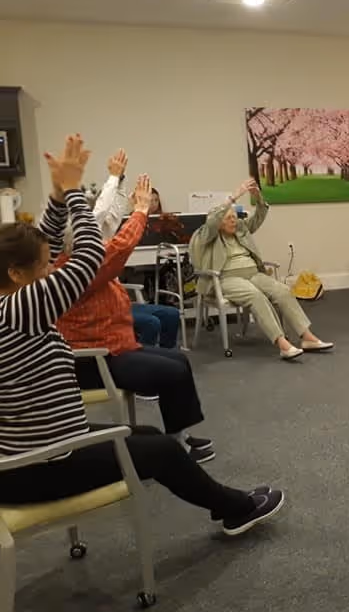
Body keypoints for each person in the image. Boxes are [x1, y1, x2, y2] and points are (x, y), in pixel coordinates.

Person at [0, 134, 283, 535]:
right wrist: (73, 190)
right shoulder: (21, 309)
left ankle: (156, 465)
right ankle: (234, 510)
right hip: (37, 466)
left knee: (148, 434)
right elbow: (88, 256)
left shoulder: (11, 300)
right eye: (45, 265)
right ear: (16, 273)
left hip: (37, 451)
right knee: (163, 449)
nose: (51, 270)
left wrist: (58, 198)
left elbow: (43, 243)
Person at [56, 174, 216, 463]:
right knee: (173, 372)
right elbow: (119, 248)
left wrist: (118, 188)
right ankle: (176, 444)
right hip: (94, 360)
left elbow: (106, 223)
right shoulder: (77, 269)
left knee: (178, 360)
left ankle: (179, 435)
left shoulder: (83, 259)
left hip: (115, 346)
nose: (102, 242)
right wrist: (141, 212)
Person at [191, 178, 333, 359]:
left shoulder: (241, 228)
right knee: (255, 295)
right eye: (228, 218)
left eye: (235, 216)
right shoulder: (208, 234)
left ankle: (307, 337)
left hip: (253, 274)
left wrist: (258, 198)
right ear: (219, 222)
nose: (233, 221)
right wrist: (234, 197)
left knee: (282, 291)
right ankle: (282, 344)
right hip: (225, 279)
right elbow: (212, 220)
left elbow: (259, 216)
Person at [90, 149, 181, 349]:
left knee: (171, 315)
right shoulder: (84, 251)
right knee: (151, 324)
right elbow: (100, 212)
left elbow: (113, 211)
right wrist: (114, 179)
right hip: (103, 311)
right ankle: (140, 360)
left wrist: (120, 179)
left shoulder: (102, 233)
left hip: (117, 303)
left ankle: (163, 357)